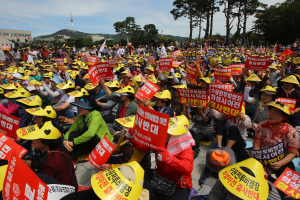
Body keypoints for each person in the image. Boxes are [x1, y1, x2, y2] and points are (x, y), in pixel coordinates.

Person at [128, 115, 194, 200]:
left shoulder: (186, 148)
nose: (164, 133)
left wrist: (170, 160)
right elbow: (143, 147)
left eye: (168, 132)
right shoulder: (160, 140)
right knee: (134, 173)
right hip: (158, 174)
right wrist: (133, 138)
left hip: (179, 185)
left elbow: (188, 168)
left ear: (177, 135)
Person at [16, 120, 78, 190]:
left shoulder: (51, 160)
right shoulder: (56, 148)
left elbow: (40, 183)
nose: (32, 139)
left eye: (36, 137)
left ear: (45, 143)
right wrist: (28, 163)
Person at [254, 102, 299, 177]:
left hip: (282, 159)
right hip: (262, 155)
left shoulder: (291, 131)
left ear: (284, 117)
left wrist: (280, 163)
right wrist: (257, 155)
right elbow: (257, 143)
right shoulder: (262, 125)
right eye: (271, 111)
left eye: (275, 113)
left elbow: (292, 153)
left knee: (287, 177)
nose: (271, 114)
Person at [63, 95, 113, 161]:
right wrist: (65, 140)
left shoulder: (96, 115)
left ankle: (73, 158)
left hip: (101, 144)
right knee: (73, 133)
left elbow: (90, 134)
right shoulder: (80, 116)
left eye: (81, 106)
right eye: (78, 105)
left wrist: (73, 142)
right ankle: (71, 156)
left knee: (89, 137)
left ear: (88, 107)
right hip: (88, 141)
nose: (78, 107)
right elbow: (71, 130)